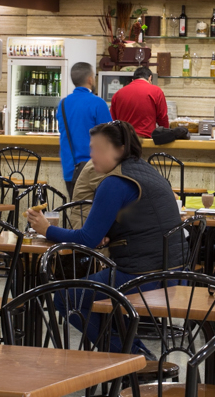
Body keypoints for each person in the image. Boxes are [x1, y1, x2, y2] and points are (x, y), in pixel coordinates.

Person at [28, 120, 184, 279]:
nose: (92, 155)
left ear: (120, 150)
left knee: (64, 296)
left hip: (144, 278)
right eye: (92, 149)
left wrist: (46, 229)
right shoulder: (146, 169)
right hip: (175, 274)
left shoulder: (115, 182)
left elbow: (86, 239)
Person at [56, 61, 112, 200]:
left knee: (77, 211)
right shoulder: (98, 103)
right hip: (94, 169)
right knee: (93, 214)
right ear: (90, 79)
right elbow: (110, 136)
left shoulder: (62, 104)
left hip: (70, 169)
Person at [109, 65, 168, 140]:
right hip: (146, 139)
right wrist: (167, 135)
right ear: (150, 78)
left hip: (125, 140)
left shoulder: (118, 94)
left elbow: (113, 120)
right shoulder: (156, 91)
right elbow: (162, 118)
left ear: (133, 80)